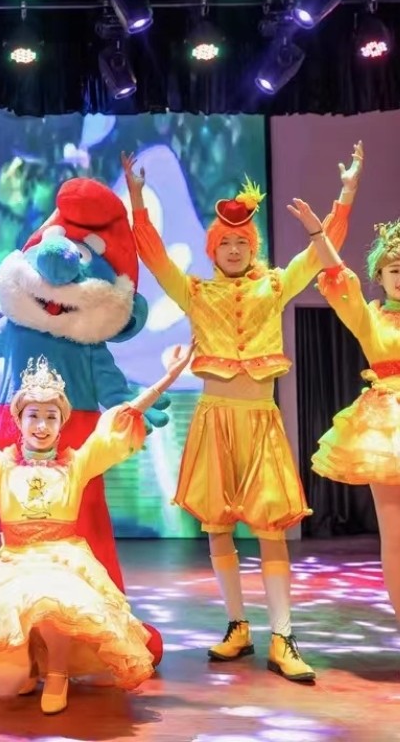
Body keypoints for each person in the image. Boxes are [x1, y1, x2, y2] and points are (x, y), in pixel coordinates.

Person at [125, 142, 363, 682]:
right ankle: (237, 626)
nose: (233, 249)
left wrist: (345, 195)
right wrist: (138, 198)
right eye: (225, 242)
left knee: (270, 528)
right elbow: (153, 254)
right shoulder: (196, 292)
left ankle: (283, 635)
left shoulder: (274, 286)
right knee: (218, 528)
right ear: (212, 248)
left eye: (242, 242)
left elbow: (323, 252)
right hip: (214, 420)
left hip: (260, 422)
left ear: (252, 248)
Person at [0, 333, 193, 715]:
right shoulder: (1, 465)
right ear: (19, 419)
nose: (41, 425)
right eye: (33, 415)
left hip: (61, 561)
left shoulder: (77, 464)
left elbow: (124, 420)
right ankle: (32, 660)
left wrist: (168, 378)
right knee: (5, 686)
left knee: (51, 595)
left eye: (50, 417)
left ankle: (58, 672)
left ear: (61, 424)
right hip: (15, 563)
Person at [293, 202, 400, 621]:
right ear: (380, 276)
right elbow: (340, 279)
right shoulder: (370, 317)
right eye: (394, 270)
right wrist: (319, 235)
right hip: (384, 427)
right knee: (395, 537)